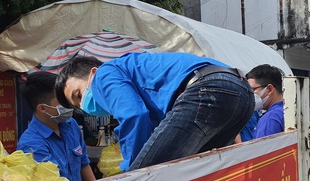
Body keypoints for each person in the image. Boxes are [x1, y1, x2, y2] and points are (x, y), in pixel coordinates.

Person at [56, 53, 254, 171]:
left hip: (208, 90)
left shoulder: (104, 74)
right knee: (195, 174)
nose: (83, 105)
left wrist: (131, 169)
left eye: (79, 94)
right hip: (242, 92)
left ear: (92, 72)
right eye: (77, 105)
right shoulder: (135, 73)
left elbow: (133, 116)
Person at [17, 72, 95, 181]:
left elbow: (83, 163)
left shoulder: (71, 125)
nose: (69, 104)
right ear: (43, 108)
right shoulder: (31, 145)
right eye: (62, 102)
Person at [247, 64, 285, 139]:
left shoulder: (270, 118)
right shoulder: (289, 112)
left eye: (253, 90)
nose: (249, 95)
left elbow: (261, 149)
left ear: (270, 89)